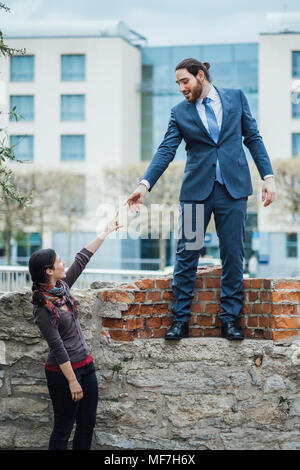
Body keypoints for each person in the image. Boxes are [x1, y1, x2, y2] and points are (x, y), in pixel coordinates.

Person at [126, 58, 275, 341]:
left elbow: (253, 138)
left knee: (233, 255)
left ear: (201, 75)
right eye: (178, 83)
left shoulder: (235, 98)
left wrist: (268, 177)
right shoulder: (180, 113)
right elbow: (165, 151)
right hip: (196, 195)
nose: (182, 88)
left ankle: (229, 321)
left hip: (233, 191)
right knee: (187, 254)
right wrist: (144, 185)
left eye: (185, 81)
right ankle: (179, 321)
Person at [29, 211, 122, 450]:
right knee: (63, 428)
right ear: (48, 271)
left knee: (87, 425)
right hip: (63, 374)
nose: (63, 263)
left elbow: (82, 258)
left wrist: (106, 231)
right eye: (59, 261)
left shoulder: (62, 287)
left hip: (86, 365)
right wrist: (72, 381)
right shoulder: (43, 305)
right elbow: (57, 347)